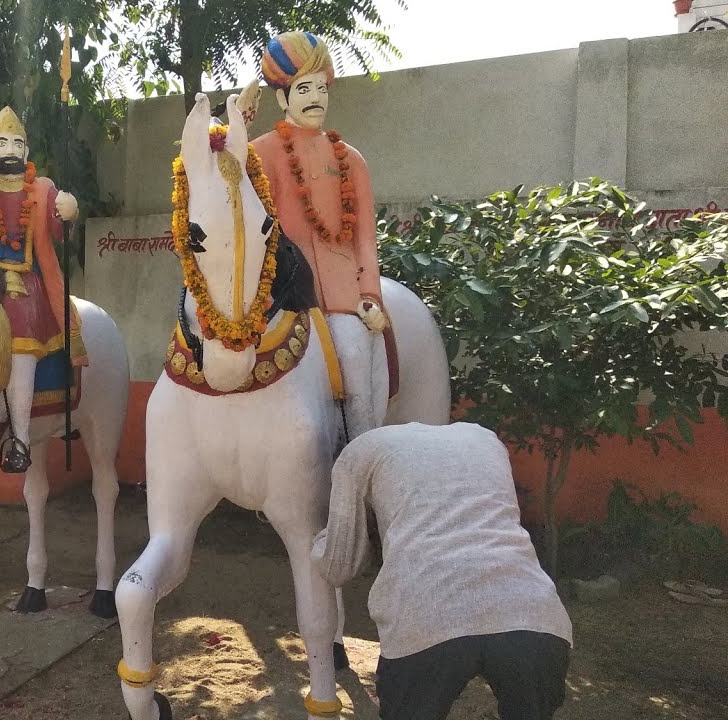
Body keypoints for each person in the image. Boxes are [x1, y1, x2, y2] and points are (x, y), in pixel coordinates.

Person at [312, 422, 573, 720]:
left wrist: (317, 537)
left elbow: (338, 566)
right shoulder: (484, 438)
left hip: (428, 615)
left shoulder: (356, 452)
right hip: (533, 614)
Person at [250, 31, 388, 440]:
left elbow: (364, 238)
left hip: (343, 299)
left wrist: (370, 297)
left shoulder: (352, 160)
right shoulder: (259, 153)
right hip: (283, 295)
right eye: (303, 88)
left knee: (352, 364)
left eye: (321, 88)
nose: (315, 98)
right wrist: (234, 124)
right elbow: (226, 189)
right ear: (282, 98)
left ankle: (363, 459)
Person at [0, 106, 85, 473]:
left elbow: (58, 231)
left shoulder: (42, 188)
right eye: (2, 142)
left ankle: (19, 437)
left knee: (20, 323)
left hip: (26, 286)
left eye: (17, 143)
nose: (9, 149)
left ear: (26, 151)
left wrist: (67, 213)